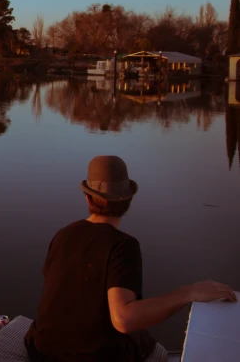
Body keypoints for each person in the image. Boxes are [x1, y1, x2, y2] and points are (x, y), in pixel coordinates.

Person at [24, 155, 236, 362]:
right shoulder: (123, 245)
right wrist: (187, 293)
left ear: (87, 197)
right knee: (155, 350)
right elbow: (124, 319)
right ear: (128, 199)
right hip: (90, 357)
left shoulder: (63, 234)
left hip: (41, 350)